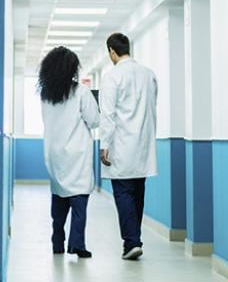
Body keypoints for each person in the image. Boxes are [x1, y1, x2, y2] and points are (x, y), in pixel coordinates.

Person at [98, 32, 157, 261]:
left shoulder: (112, 77)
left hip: (121, 145)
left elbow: (108, 115)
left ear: (112, 52)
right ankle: (134, 239)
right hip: (143, 145)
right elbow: (152, 108)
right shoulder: (149, 75)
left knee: (122, 193)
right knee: (137, 194)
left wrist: (104, 145)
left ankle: (132, 242)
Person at [38, 45, 100, 259]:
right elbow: (94, 120)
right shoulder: (81, 92)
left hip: (54, 154)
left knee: (59, 198)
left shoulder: (46, 95)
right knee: (79, 201)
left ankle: (57, 241)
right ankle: (77, 244)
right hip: (77, 154)